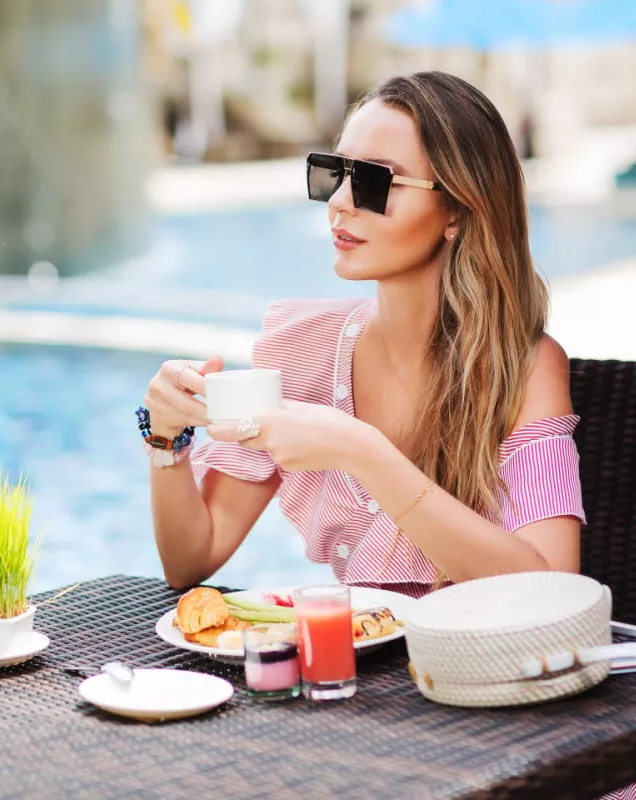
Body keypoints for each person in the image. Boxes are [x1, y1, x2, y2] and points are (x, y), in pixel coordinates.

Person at [139, 69, 585, 598]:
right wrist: (166, 440)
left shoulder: (525, 367)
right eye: (334, 172)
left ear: (457, 212)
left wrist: (362, 452)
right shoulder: (303, 347)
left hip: (470, 671)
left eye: (376, 181)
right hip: (352, 667)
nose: (339, 202)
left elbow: (553, 591)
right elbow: (190, 560)